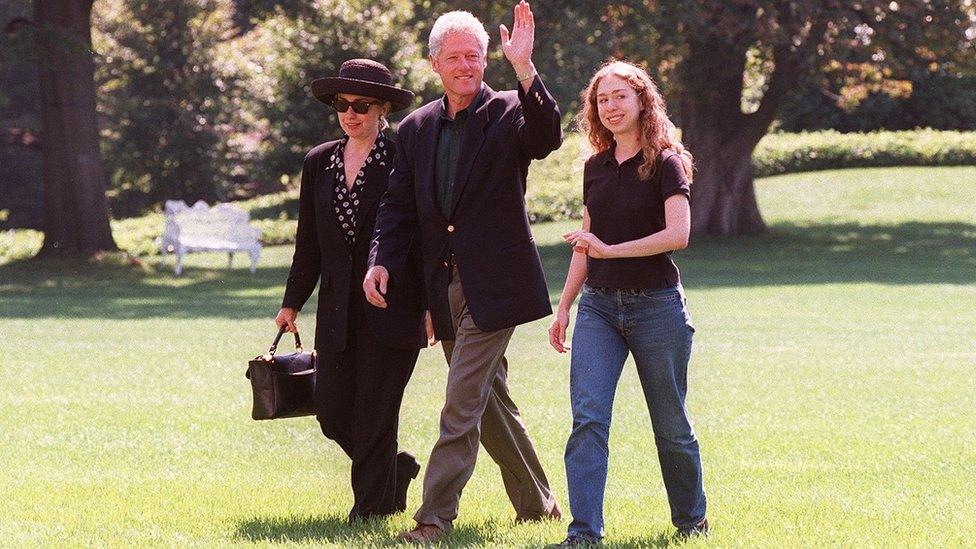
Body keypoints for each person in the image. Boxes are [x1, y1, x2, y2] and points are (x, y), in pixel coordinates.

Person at [363, 2, 562, 542]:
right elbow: (397, 207)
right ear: (435, 64)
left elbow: (547, 137)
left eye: (474, 56)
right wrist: (380, 259)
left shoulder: (510, 112)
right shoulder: (415, 128)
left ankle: (433, 519)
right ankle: (540, 505)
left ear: (485, 61)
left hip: (497, 285)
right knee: (488, 402)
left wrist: (525, 69)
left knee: (460, 400)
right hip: (443, 287)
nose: (465, 65)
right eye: (454, 57)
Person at [547, 60, 708, 545]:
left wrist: (610, 251)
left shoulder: (666, 162)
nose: (611, 107)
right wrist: (565, 305)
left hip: (656, 307)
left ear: (642, 101)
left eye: (620, 96)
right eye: (602, 99)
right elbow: (586, 242)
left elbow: (677, 235)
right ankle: (584, 534)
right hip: (599, 307)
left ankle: (691, 520)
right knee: (588, 419)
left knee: (670, 424)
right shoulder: (595, 168)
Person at [275, 58, 430, 522]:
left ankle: (369, 512)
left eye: (361, 105)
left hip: (394, 306)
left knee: (376, 412)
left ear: (382, 108)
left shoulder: (404, 154)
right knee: (332, 410)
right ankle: (394, 470)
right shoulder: (318, 162)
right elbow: (310, 242)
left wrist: (429, 307)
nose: (351, 113)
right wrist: (291, 302)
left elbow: (422, 236)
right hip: (338, 310)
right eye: (342, 105)